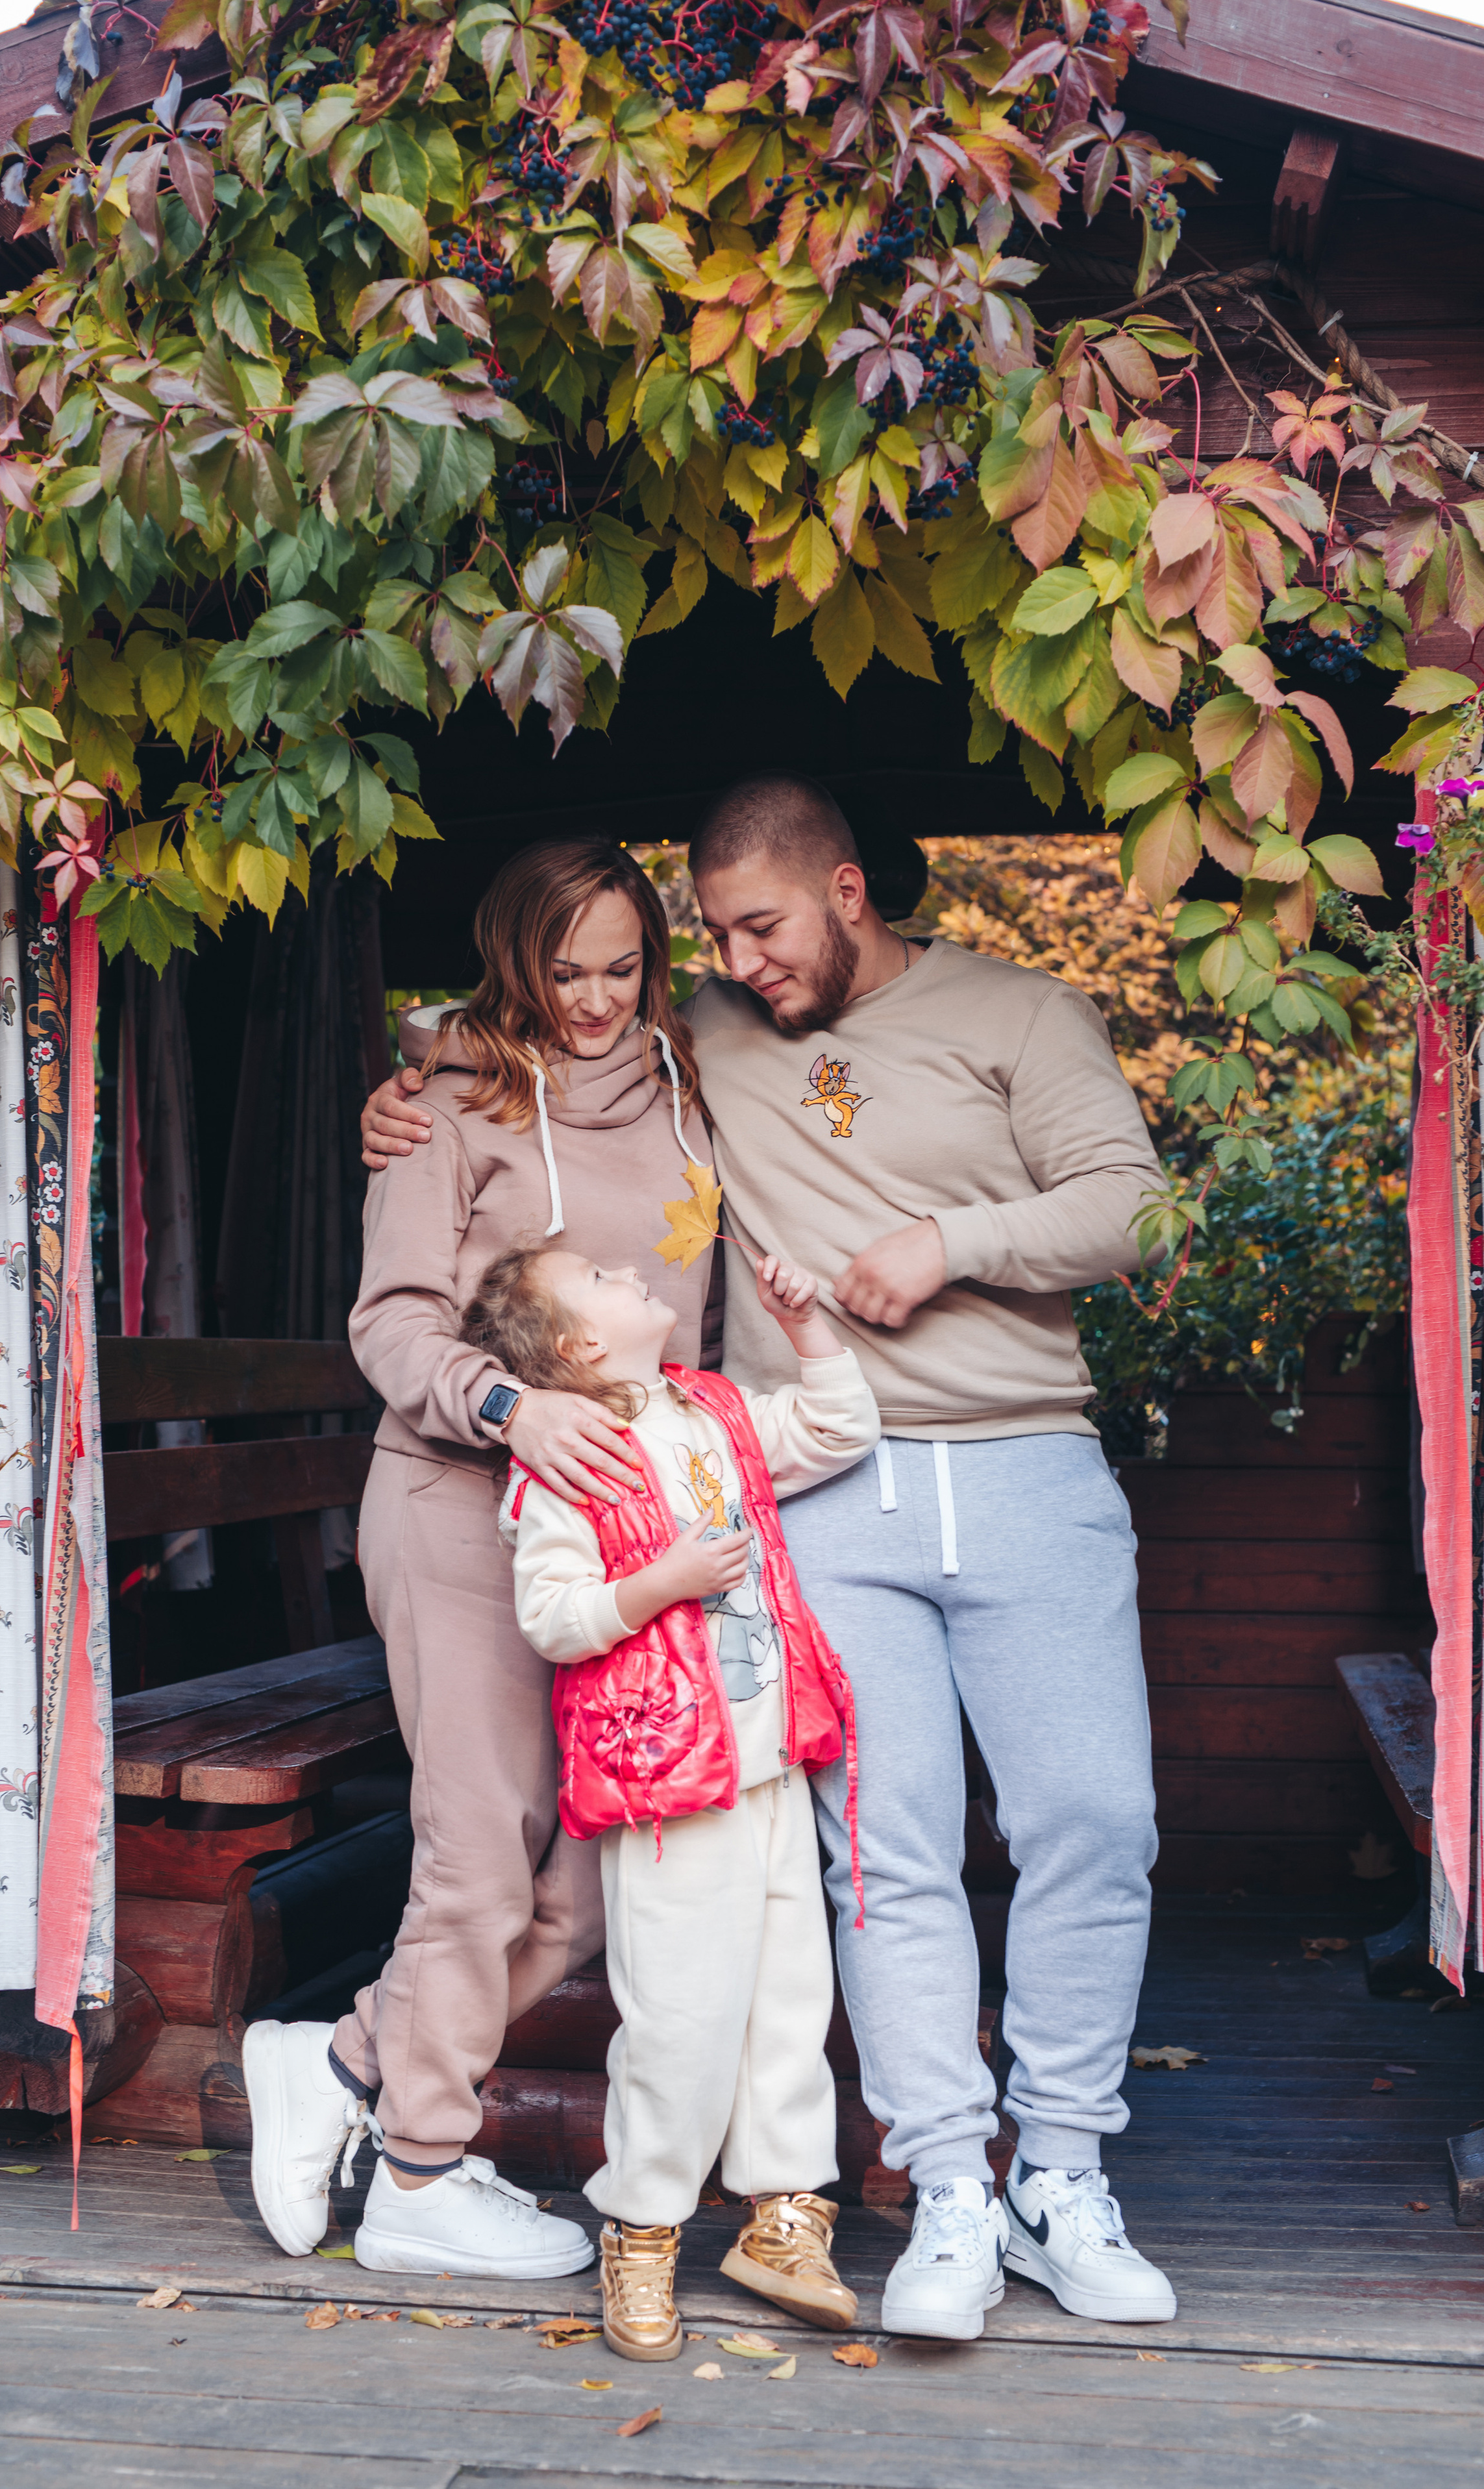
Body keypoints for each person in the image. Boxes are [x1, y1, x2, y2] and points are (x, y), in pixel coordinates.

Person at [361, 773, 1179, 2338]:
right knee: (876, 1850)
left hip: (1004, 1464)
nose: (733, 963)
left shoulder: (997, 1015)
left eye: (755, 927)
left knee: (1091, 1817)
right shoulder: (671, 1049)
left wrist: (951, 1245)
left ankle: (1058, 2174)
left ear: (847, 891)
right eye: (714, 937)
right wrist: (405, 1083)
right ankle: (944, 2183)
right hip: (793, 1495)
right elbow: (502, 1040)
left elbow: (1128, 1211)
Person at [245, 837, 715, 2281]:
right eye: (560, 971)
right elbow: (388, 1327)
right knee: (478, 1853)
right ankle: (419, 2177)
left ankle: (337, 2059)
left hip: (623, 1522)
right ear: (514, 965)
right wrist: (511, 1406)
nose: (590, 1000)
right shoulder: (450, 1106)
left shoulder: (692, 1086)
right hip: (460, 1503)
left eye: (619, 967)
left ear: (654, 957)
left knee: (582, 1883)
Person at [465, 1238, 878, 2357]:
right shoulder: (571, 1458)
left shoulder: (716, 1410)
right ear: (579, 1345)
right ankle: (641, 2230)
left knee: (788, 2002)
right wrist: (666, 1583)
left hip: (771, 1764)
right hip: (666, 1782)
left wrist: (810, 1332)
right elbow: (555, 1615)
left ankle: (785, 2219)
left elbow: (841, 1427)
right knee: (682, 2020)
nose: (632, 1269)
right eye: (600, 1276)